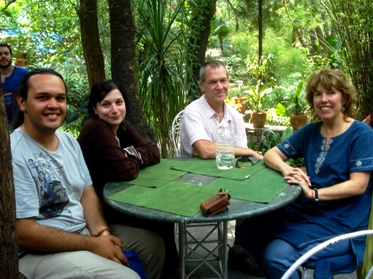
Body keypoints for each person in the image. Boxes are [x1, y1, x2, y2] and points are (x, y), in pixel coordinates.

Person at [12, 68, 165, 279]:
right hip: (39, 252)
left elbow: (87, 194)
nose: (53, 105)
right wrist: (94, 244)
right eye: (42, 98)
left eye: (60, 98)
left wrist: (103, 234)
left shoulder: (67, 142)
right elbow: (24, 232)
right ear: (22, 103)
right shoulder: (14, 152)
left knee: (153, 246)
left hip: (83, 231)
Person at [236, 68, 373, 278]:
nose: (323, 99)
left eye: (331, 93)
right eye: (318, 94)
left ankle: (282, 269)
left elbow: (358, 185)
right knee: (249, 228)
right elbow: (272, 154)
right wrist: (287, 168)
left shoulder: (361, 134)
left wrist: (314, 194)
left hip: (340, 219)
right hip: (306, 211)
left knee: (276, 255)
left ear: (344, 97)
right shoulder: (311, 131)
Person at [77, 80, 180, 279]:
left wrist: (127, 154)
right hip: (98, 205)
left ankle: (171, 270)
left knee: (163, 217)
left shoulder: (122, 127)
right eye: (106, 104)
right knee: (159, 217)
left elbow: (153, 152)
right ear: (94, 108)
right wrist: (132, 156)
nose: (114, 110)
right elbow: (126, 171)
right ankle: (171, 271)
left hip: (121, 195)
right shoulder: (96, 129)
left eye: (119, 102)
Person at [179, 59, 264, 276]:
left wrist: (246, 154)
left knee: (261, 197)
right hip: (196, 180)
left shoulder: (234, 115)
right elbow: (205, 150)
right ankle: (240, 251)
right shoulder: (193, 112)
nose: (219, 86)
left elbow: (241, 157)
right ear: (202, 86)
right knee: (244, 197)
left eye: (223, 80)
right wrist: (248, 151)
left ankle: (241, 250)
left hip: (227, 177)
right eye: (213, 82)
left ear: (229, 82)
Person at [0, 42, 28, 125]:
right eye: (0, 54)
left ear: (11, 56)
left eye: (6, 53)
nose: (3, 56)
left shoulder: (23, 74)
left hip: (22, 123)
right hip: (2, 125)